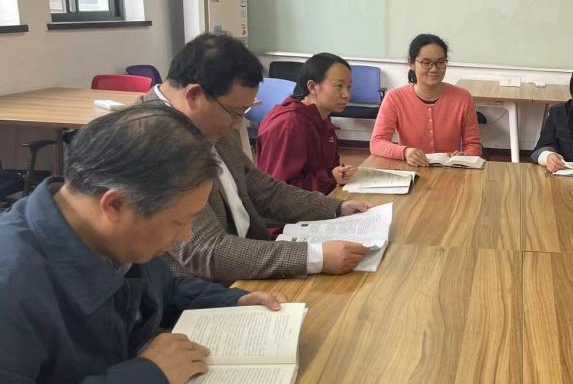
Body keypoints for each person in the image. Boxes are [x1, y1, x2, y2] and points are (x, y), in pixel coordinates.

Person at [0, 104, 288, 384]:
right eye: (178, 222)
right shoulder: (12, 286)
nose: (185, 237)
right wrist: (147, 378)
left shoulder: (110, 236)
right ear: (114, 205)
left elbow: (161, 289)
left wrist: (232, 299)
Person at [144, 34, 370, 282]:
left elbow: (262, 189)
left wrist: (335, 208)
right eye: (236, 113)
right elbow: (206, 252)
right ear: (194, 96)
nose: (237, 125)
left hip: (251, 261)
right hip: (207, 287)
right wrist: (314, 257)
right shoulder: (152, 141)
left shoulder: (210, 118)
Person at [370, 33, 482, 165]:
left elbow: (474, 145)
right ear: (411, 63)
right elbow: (377, 143)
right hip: (411, 169)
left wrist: (464, 156)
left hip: (451, 170)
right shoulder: (395, 98)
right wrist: (405, 152)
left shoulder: (462, 97)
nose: (434, 69)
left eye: (440, 62)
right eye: (426, 63)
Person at [256, 52, 357, 194]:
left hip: (321, 198)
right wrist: (329, 177)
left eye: (349, 87)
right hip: (293, 207)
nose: (346, 94)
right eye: (339, 86)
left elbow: (323, 169)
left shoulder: (322, 117)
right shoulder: (289, 124)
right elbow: (278, 191)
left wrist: (334, 174)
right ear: (312, 87)